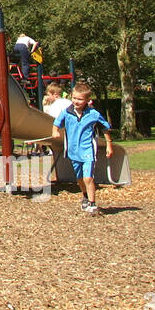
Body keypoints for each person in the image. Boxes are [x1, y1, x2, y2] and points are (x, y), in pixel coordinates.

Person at [51, 82, 113, 215]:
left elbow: (105, 128)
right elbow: (56, 123)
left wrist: (109, 144)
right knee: (79, 178)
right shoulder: (67, 112)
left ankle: (92, 203)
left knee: (88, 178)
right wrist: (55, 131)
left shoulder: (93, 114)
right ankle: (85, 195)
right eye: (74, 98)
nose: (76, 101)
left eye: (80, 99)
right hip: (73, 151)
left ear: (87, 100)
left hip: (87, 150)